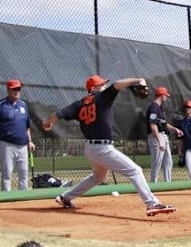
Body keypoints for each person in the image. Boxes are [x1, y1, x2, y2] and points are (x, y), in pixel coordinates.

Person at [42, 74, 175, 216]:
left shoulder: (79, 104)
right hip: (102, 149)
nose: (105, 86)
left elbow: (59, 114)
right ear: (93, 88)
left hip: (90, 148)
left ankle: (65, 197)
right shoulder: (102, 97)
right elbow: (118, 83)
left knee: (97, 178)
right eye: (102, 85)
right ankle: (152, 204)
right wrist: (138, 80)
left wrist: (48, 122)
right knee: (135, 170)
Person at [0, 79, 36, 191]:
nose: (17, 91)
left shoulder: (23, 105)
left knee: (24, 174)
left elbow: (27, 126)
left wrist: (30, 141)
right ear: (8, 90)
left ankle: (23, 199)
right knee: (7, 173)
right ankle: (6, 199)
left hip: (23, 145)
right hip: (6, 144)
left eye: (19, 89)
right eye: (14, 89)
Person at [146, 86, 183, 183]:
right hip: (156, 136)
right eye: (166, 95)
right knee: (157, 162)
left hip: (163, 136)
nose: (166, 97)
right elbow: (153, 124)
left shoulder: (160, 108)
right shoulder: (154, 107)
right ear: (162, 96)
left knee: (168, 161)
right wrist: (159, 141)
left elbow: (164, 124)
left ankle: (168, 183)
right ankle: (154, 184)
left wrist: (175, 129)